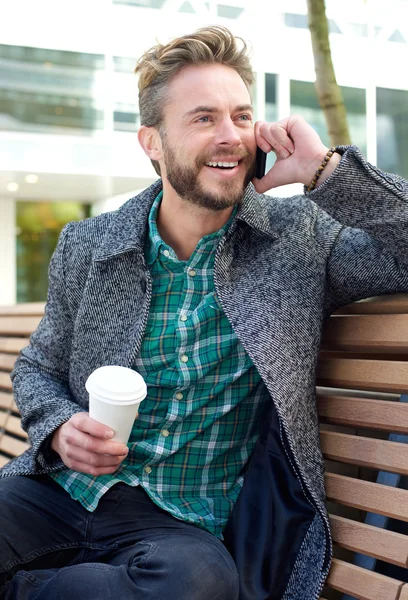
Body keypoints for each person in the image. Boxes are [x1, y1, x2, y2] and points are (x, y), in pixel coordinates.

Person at [1, 25, 408, 600]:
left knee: (199, 584)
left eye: (242, 117)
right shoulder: (88, 246)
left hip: (179, 524)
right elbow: (38, 367)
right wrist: (62, 428)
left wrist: (324, 174)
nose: (231, 137)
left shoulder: (301, 241)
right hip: (60, 494)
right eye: (203, 119)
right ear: (152, 141)